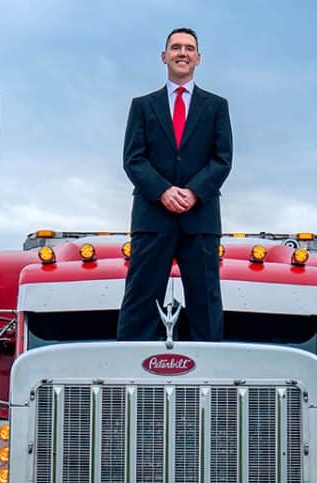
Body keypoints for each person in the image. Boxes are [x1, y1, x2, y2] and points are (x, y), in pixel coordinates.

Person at [116, 26, 232, 343]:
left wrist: (194, 192)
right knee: (140, 300)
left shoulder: (216, 106)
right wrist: (163, 191)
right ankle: (131, 365)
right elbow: (133, 159)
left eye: (189, 48)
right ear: (164, 56)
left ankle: (209, 367)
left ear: (199, 58)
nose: (183, 53)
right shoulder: (142, 106)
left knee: (206, 303)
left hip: (201, 219)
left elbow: (222, 159)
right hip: (153, 217)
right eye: (176, 47)